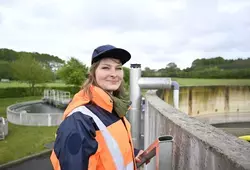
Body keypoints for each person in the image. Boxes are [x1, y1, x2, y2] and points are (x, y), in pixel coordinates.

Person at [50, 44, 143, 170]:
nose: (114, 74)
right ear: (93, 73)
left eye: (118, 68)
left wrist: (133, 153)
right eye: (106, 68)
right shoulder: (79, 120)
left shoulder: (113, 107)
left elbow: (109, 148)